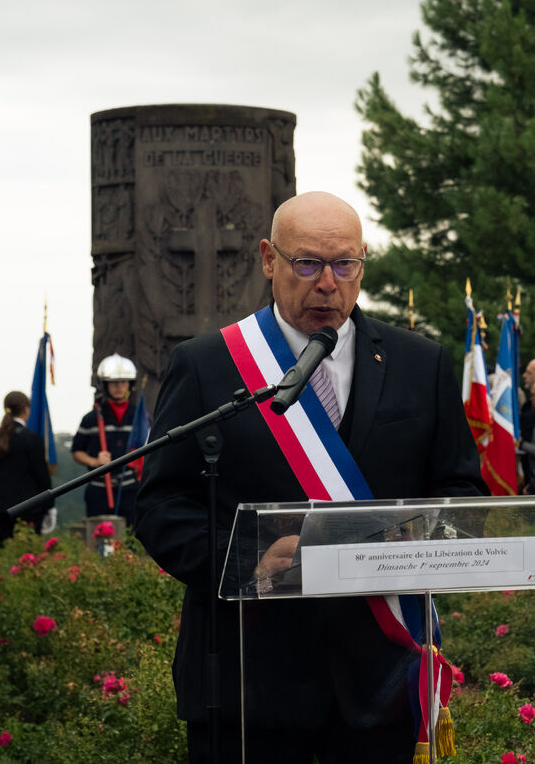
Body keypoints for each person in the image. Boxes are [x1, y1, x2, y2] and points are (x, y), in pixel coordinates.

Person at [136, 191, 486, 764]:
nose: (328, 283)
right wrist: (247, 560)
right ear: (268, 259)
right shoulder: (207, 365)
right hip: (251, 681)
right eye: (307, 264)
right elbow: (160, 505)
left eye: (345, 264)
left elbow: (463, 491)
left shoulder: (421, 364)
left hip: (382, 677)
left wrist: (422, 536)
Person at [70, 354, 143, 525]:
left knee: (132, 537)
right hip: (100, 489)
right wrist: (94, 461)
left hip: (131, 489)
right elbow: (76, 451)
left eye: (123, 382)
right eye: (114, 382)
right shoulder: (91, 418)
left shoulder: (140, 418)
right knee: (100, 537)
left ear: (130, 384)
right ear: (105, 385)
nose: (119, 386)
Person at [0, 391, 51, 546]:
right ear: (26, 408)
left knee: (5, 551)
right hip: (30, 507)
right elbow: (41, 476)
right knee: (29, 553)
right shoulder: (32, 438)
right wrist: (49, 505)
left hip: (1, 505)